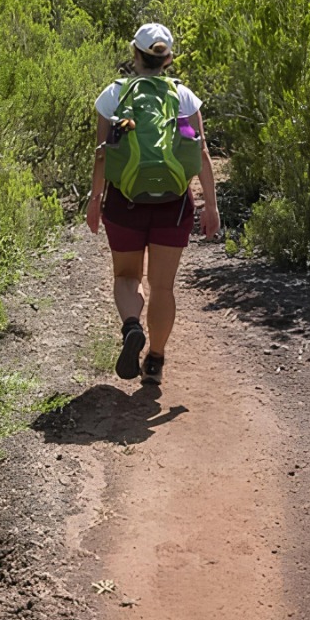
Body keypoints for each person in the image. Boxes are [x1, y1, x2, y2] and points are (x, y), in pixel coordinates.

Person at [85, 21, 220, 387]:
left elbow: (102, 155)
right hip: (173, 204)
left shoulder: (112, 96)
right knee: (163, 287)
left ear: (134, 55)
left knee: (127, 277)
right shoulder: (184, 97)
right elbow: (202, 151)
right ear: (168, 59)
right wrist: (211, 206)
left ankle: (132, 325)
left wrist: (95, 199)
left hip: (124, 202)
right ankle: (156, 361)